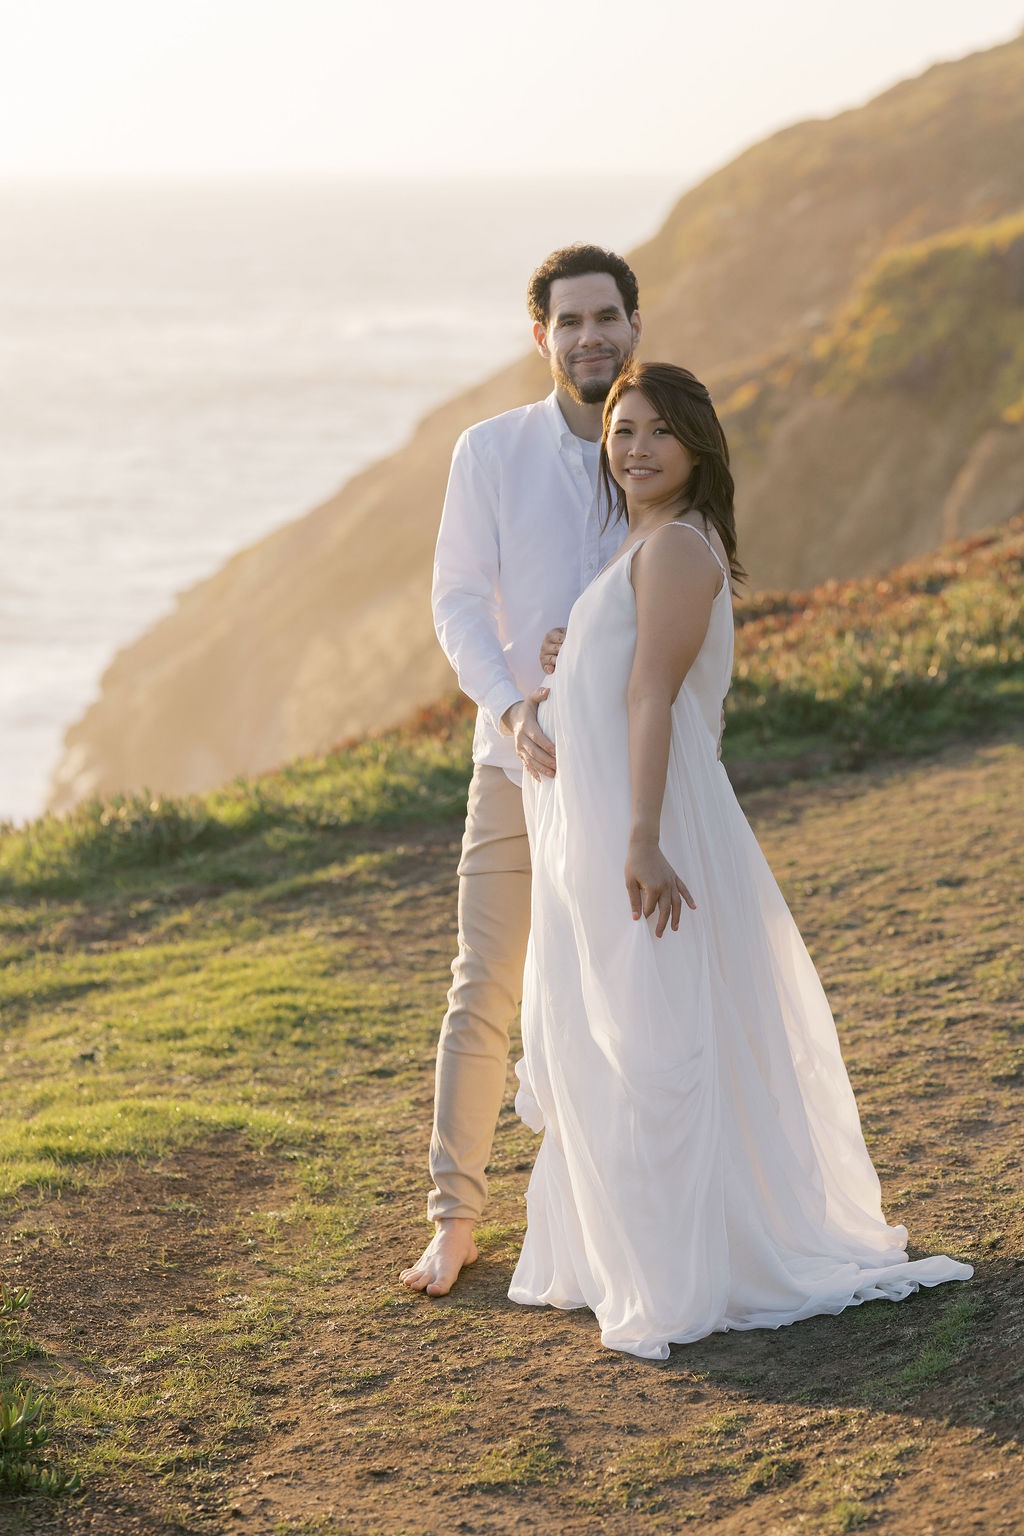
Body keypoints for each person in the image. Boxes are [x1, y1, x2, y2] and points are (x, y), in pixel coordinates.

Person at [508, 362, 972, 1359]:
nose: (633, 447)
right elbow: (618, 671)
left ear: (696, 449)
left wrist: (639, 837)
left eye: (657, 433)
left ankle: (691, 1262)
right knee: (615, 1027)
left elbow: (650, 698)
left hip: (646, 821)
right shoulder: (641, 542)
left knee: (655, 1033)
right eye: (621, 429)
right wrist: (566, 659)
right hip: (598, 821)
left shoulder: (676, 547)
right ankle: (638, 1251)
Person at [400, 245, 642, 1296]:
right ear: (539, 335)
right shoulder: (488, 452)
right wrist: (512, 706)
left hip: (634, 766)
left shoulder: (662, 448)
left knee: (632, 987)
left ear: (635, 325)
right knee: (485, 983)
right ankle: (453, 1221)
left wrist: (601, 644)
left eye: (607, 317)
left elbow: (695, 584)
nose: (590, 336)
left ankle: (622, 1205)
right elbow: (456, 600)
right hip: (515, 762)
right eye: (570, 321)